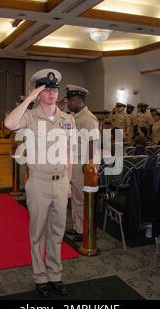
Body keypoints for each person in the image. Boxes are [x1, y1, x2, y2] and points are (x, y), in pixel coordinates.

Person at [4, 69, 74, 298]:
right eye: (46, 89)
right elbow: (9, 123)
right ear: (39, 92)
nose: (52, 93)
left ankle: (55, 275)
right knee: (38, 232)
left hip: (61, 182)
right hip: (39, 183)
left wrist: (70, 182)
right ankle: (40, 277)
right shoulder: (30, 117)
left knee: (57, 231)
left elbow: (68, 153)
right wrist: (30, 99)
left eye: (54, 89)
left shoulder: (67, 119)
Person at [65, 84, 98, 242]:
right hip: (75, 162)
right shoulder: (75, 117)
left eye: (70, 100)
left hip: (83, 163)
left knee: (81, 198)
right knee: (76, 197)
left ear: (79, 100)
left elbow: (93, 143)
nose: (68, 103)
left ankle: (82, 230)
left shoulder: (88, 118)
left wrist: (89, 164)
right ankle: (78, 227)